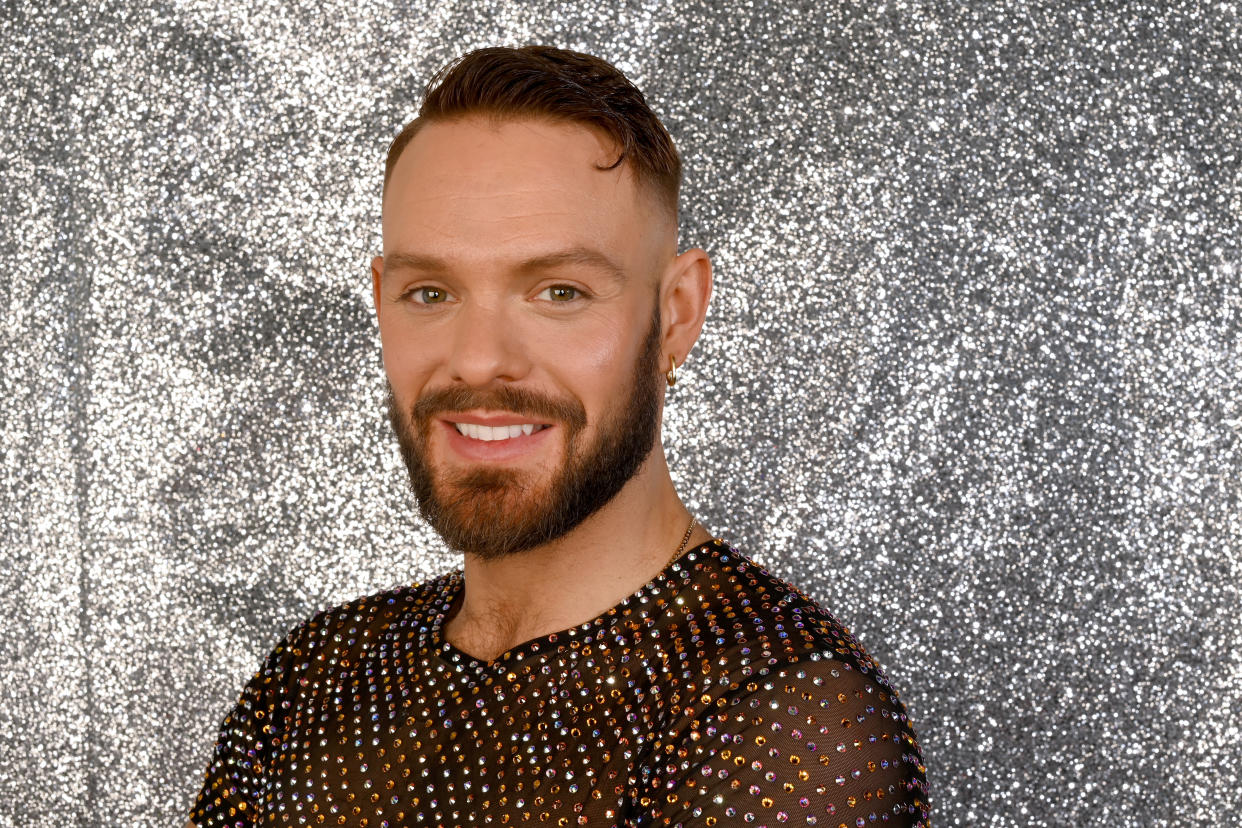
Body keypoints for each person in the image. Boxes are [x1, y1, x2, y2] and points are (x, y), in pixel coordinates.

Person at [188, 45, 930, 827]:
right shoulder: (319, 674)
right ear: (380, 302)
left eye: (559, 292)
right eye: (430, 291)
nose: (479, 359)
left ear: (675, 314)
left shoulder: (788, 715)